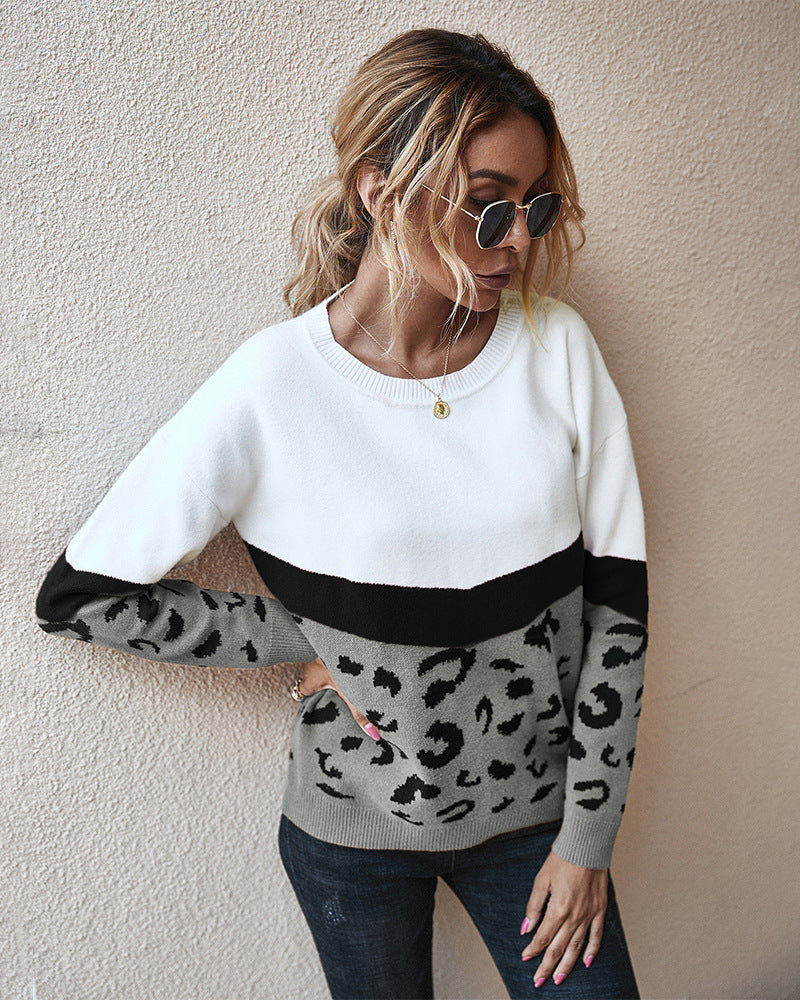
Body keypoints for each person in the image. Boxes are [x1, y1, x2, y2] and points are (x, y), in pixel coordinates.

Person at [34, 27, 648, 1000]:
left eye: (535, 207)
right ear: (380, 189)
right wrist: (305, 639)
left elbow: (618, 609)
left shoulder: (556, 350)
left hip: (538, 828)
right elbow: (79, 595)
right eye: (489, 206)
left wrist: (587, 840)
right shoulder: (273, 385)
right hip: (349, 840)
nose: (519, 242)